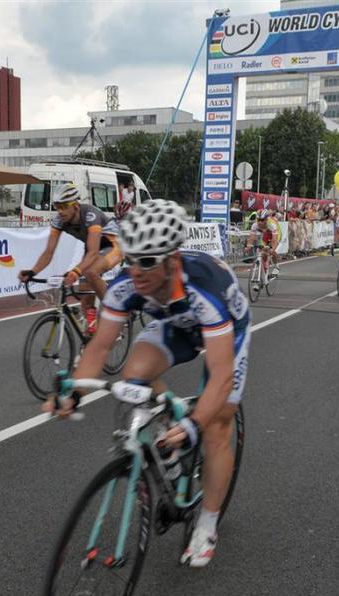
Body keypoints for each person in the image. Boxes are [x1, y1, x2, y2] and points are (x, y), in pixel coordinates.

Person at [46, 199, 250, 568]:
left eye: (148, 261)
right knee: (134, 371)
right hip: (176, 324)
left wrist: (197, 424)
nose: (136, 271)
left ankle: (207, 524)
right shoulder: (127, 284)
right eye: (131, 259)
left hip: (225, 328)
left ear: (172, 260)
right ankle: (172, 417)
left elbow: (221, 374)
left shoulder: (205, 289)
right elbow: (100, 347)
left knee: (217, 424)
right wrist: (73, 391)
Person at [18, 183, 122, 333]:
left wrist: (76, 271)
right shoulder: (59, 221)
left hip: (112, 244)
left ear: (76, 206)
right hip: (92, 247)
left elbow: (93, 252)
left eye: (64, 206)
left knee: (91, 272)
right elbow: (48, 252)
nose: (60, 211)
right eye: (57, 207)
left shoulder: (90, 215)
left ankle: (114, 316)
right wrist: (32, 272)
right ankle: (91, 331)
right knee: (85, 297)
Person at [243, 209, 280, 290]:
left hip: (274, 234)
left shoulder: (272, 224)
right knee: (262, 253)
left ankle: (276, 266)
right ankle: (262, 279)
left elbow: (275, 240)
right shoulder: (255, 225)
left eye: (262, 220)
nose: (260, 222)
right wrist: (248, 246)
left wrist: (272, 249)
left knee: (271, 250)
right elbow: (252, 237)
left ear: (266, 219)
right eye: (258, 220)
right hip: (264, 234)